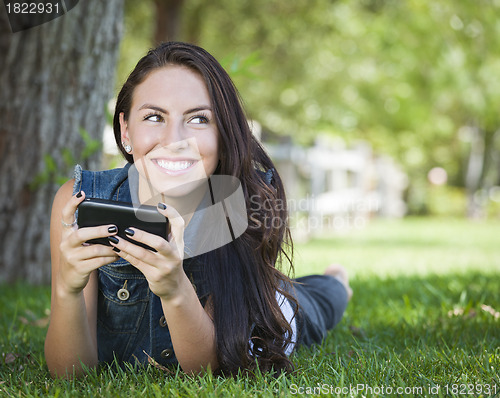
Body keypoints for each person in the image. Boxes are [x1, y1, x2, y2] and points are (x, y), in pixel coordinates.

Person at [44, 41, 352, 378]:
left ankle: (336, 280)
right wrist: (67, 288)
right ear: (126, 129)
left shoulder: (247, 202)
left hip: (256, 316)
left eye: (198, 119)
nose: (175, 139)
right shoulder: (79, 201)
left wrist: (174, 287)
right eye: (153, 116)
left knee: (312, 304)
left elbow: (207, 369)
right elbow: (69, 375)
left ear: (223, 133)